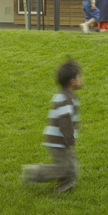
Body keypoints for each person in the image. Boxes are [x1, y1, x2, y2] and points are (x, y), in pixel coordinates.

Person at [22, 60, 85, 194]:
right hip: (59, 140)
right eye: (80, 76)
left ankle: (63, 189)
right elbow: (64, 121)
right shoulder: (66, 99)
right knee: (64, 167)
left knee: (71, 166)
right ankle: (36, 172)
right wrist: (70, 138)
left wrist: (76, 127)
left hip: (59, 139)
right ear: (73, 81)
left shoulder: (64, 95)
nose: (82, 79)